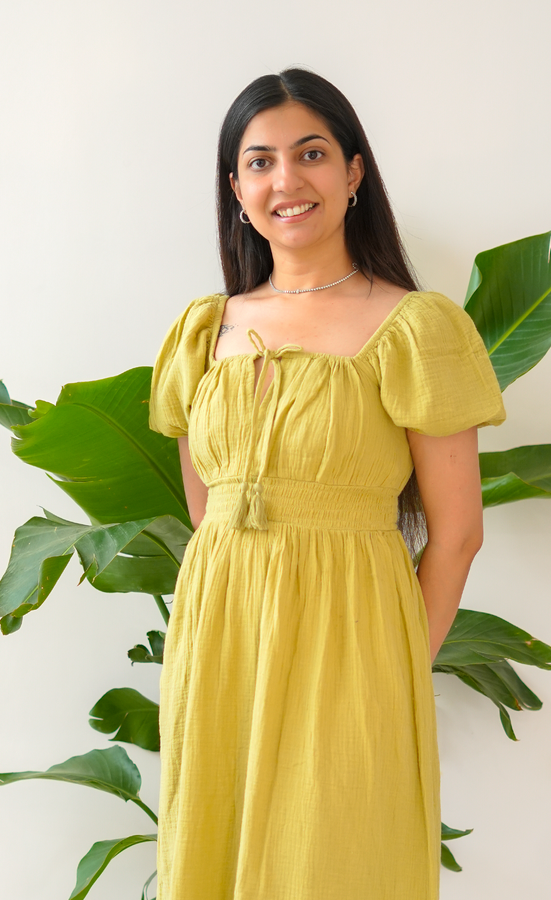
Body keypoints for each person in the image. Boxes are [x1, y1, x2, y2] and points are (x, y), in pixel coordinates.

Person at [148, 66, 506, 900]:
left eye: (310, 153)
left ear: (353, 173)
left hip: (354, 645)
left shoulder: (414, 326)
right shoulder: (204, 331)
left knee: (338, 861)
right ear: (236, 191)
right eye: (260, 161)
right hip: (221, 642)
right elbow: (209, 513)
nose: (287, 180)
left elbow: (457, 534)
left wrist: (394, 666)